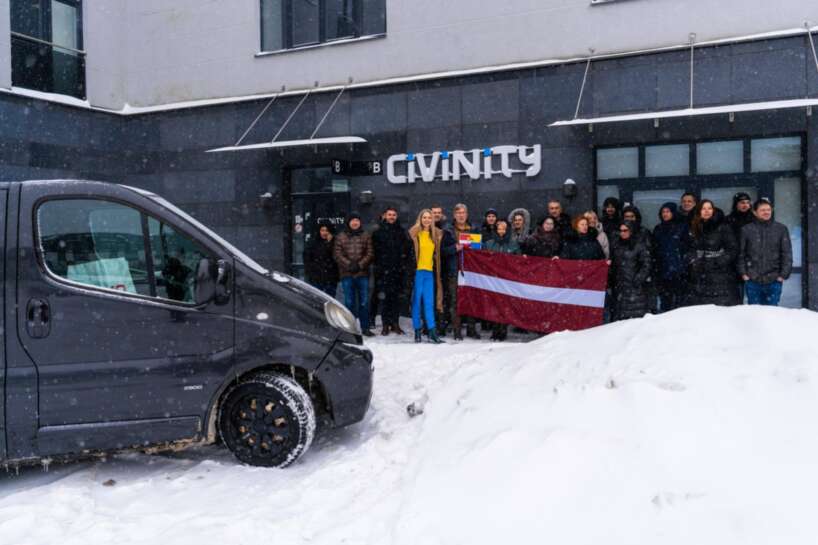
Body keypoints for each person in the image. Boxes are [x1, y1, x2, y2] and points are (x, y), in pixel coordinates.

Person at [738, 198, 793, 306]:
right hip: (752, 279)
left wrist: (782, 275)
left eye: (768, 209)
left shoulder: (781, 229)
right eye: (762, 210)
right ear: (755, 212)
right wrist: (743, 273)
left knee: (772, 312)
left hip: (774, 279)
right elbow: (741, 253)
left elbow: (786, 253)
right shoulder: (746, 230)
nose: (766, 212)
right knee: (754, 312)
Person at [685, 200, 740, 306]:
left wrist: (718, 261)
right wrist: (693, 259)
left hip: (720, 274)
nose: (707, 211)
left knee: (720, 306)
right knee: (700, 307)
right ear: (699, 211)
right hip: (698, 273)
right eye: (703, 208)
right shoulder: (694, 227)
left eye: (709, 208)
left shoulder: (723, 227)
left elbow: (732, 249)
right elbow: (688, 248)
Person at [333, 212, 375, 336]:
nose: (355, 222)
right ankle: (350, 328)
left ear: (360, 222)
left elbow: (370, 253)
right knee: (349, 302)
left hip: (362, 274)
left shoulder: (366, 235)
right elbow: (337, 254)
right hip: (347, 274)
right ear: (348, 222)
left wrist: (359, 265)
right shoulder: (341, 236)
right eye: (352, 220)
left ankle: (365, 328)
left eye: (357, 220)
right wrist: (349, 264)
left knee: (364, 302)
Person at [371, 207, 411, 335]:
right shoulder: (378, 232)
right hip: (383, 272)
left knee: (396, 299)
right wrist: (379, 267)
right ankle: (385, 325)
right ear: (385, 216)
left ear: (396, 216)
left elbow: (406, 250)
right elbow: (374, 252)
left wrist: (402, 265)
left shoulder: (401, 232)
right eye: (389, 214)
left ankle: (395, 324)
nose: (392, 217)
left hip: (398, 272)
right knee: (384, 299)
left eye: (394, 215)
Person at [408, 209, 445, 344]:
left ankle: (432, 332)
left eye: (429, 217)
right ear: (420, 219)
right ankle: (417, 331)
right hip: (418, 272)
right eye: (424, 217)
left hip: (429, 272)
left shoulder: (435, 234)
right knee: (417, 302)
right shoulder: (414, 234)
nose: (427, 220)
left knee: (429, 303)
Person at [448, 203, 481, 340]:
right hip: (454, 270)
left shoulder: (474, 229)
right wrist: (454, 248)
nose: (461, 215)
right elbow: (443, 250)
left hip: (470, 270)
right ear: (454, 215)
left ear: (467, 215)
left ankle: (471, 329)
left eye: (463, 213)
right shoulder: (448, 230)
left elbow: (481, 248)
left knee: (471, 299)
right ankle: (457, 331)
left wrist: (476, 248)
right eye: (458, 213)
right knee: (455, 301)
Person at [485, 220, 521, 340]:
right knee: (494, 305)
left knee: (505, 305)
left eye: (504, 229)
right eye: (499, 229)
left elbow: (518, 260)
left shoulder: (513, 244)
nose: (501, 231)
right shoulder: (489, 244)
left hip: (507, 280)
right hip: (493, 279)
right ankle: (495, 330)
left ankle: (503, 330)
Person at [609, 220, 652, 320]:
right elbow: (613, 264)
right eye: (621, 230)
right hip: (620, 286)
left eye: (625, 230)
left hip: (635, 287)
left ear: (631, 231)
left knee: (636, 317)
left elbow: (646, 264)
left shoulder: (639, 246)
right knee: (621, 318)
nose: (622, 233)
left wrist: (638, 279)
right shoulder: (617, 245)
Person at [651, 203, 688, 312]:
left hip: (679, 270)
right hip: (662, 270)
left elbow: (687, 247)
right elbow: (655, 248)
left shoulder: (682, 227)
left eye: (668, 211)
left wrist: (683, 264)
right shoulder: (658, 228)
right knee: (665, 302)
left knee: (679, 302)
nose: (665, 214)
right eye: (663, 212)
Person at [432, 205, 458, 336]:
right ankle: (431, 325)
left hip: (444, 270)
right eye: (434, 212)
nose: (436, 214)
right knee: (432, 299)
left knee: (443, 299)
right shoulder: (425, 229)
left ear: (442, 214)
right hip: (430, 270)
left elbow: (444, 251)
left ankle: (442, 325)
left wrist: (453, 249)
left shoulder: (447, 230)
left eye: (439, 212)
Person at [303, 220, 339, 298]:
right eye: (322, 230)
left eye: (327, 230)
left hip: (331, 277)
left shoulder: (335, 243)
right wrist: (311, 272)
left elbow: (336, 257)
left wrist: (330, 243)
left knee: (330, 299)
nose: (324, 233)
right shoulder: (313, 242)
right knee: (317, 299)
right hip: (317, 277)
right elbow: (307, 258)